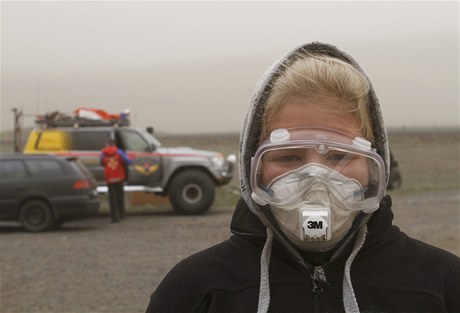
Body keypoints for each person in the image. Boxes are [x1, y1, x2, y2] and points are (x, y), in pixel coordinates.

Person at [145, 42, 460, 312]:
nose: (316, 180)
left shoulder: (442, 284)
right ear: (251, 169)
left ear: (374, 170)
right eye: (288, 157)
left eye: (339, 156)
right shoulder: (197, 290)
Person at [100, 138, 132, 223]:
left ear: (107, 144)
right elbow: (127, 161)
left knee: (112, 198)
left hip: (109, 178)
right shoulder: (119, 152)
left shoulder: (103, 153)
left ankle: (114, 217)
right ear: (114, 144)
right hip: (119, 177)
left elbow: (102, 163)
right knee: (120, 196)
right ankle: (122, 214)